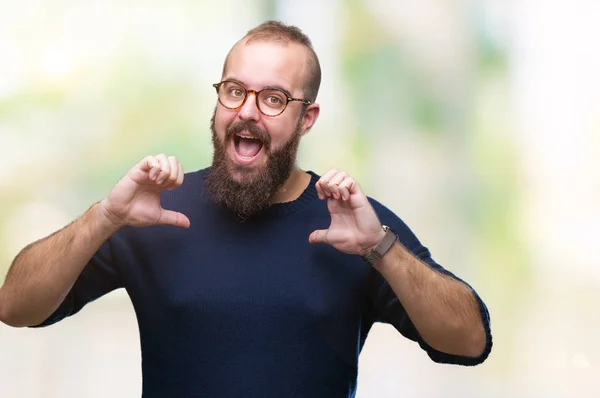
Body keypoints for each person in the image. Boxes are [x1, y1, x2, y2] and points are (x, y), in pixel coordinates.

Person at [0, 21, 492, 397]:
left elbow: (468, 342)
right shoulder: (149, 212)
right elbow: (15, 308)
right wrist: (103, 216)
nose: (248, 111)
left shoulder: (352, 224)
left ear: (307, 119)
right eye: (235, 91)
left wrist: (380, 248)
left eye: (274, 98)